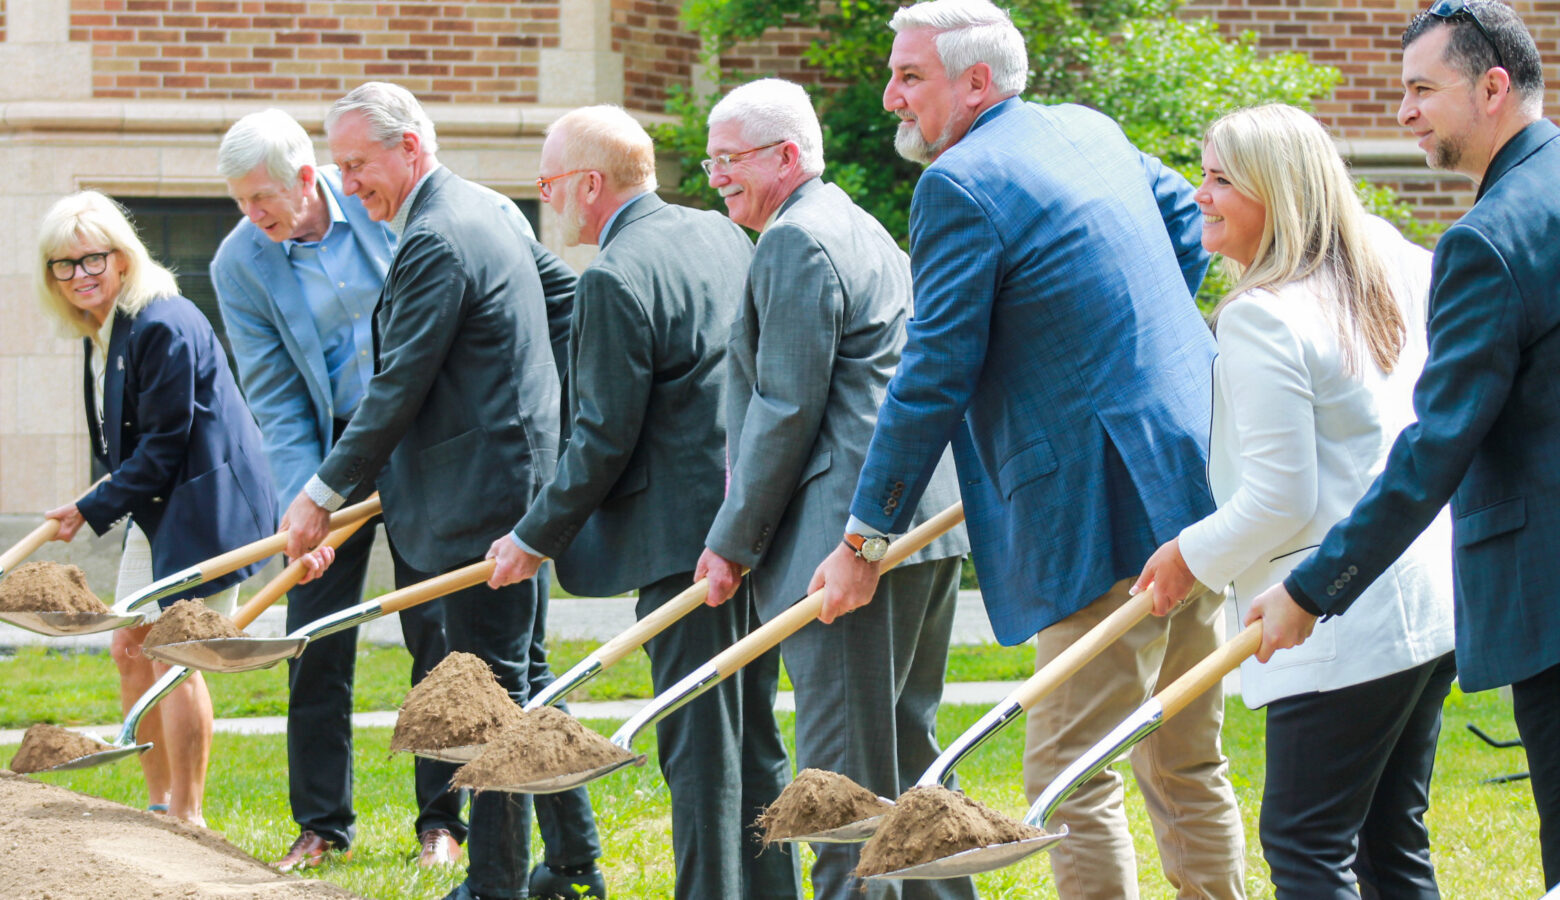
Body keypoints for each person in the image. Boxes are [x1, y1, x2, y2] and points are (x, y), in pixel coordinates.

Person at [807, 2, 1246, 897]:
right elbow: (1182, 218)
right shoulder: (1085, 128)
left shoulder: (958, 184)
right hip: (1194, 475)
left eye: (910, 76)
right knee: (1185, 758)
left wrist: (864, 541)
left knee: (1069, 773)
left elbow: (933, 373)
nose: (892, 97)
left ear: (975, 83)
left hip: (1100, 508)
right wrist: (1119, 354)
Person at [1245, 2, 1560, 889]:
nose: (1404, 112)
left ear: (1493, 88)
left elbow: (1435, 449)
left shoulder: (1488, 242)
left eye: (1423, 89)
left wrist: (1314, 588)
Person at [276, 82, 602, 900]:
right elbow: (564, 305)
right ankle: (573, 866)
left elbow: (397, 388)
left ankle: (493, 884)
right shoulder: (489, 208)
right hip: (509, 481)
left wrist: (320, 493)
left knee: (487, 694)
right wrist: (537, 413)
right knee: (521, 680)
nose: (348, 184)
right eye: (339, 166)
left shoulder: (438, 236)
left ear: (410, 149)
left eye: (358, 164)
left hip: (480, 499)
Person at [1133, 103, 1457, 898]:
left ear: (1277, 193)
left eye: (1220, 180)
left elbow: (1280, 496)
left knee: (1306, 843)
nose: (1199, 194)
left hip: (1333, 615)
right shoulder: (1385, 255)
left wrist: (1188, 558)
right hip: (1420, 597)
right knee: (1389, 838)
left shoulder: (1262, 316)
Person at [485, 104, 796, 900]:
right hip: (753, 523)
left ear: (590, 184)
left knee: (697, 745)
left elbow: (600, 438)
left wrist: (534, 537)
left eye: (550, 184)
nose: (549, 201)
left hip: (682, 548)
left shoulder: (614, 278)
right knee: (752, 733)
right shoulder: (723, 235)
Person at [694, 78, 972, 900]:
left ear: (786, 156)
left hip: (845, 544)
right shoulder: (860, 226)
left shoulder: (796, 241)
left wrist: (731, 541)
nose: (715, 178)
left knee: (842, 784)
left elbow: (784, 410)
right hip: (915, 529)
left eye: (729, 160)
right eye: (709, 162)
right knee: (907, 766)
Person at [211, 107, 460, 872]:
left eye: (264, 199)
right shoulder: (239, 264)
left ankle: (443, 824)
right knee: (314, 638)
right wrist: (305, 498)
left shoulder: (388, 210)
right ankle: (321, 824)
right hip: (333, 453)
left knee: (436, 637)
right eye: (240, 202)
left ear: (307, 178)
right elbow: (276, 394)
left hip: (424, 440)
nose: (253, 217)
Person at [37, 190, 276, 826]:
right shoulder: (108, 330)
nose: (80, 274)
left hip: (209, 507)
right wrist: (98, 500)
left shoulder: (161, 322)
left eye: (93, 259)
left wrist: (90, 508)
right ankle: (157, 803)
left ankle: (186, 817)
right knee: (130, 645)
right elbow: (131, 448)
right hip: (161, 506)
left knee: (176, 653)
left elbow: (166, 445)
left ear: (122, 257)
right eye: (65, 264)